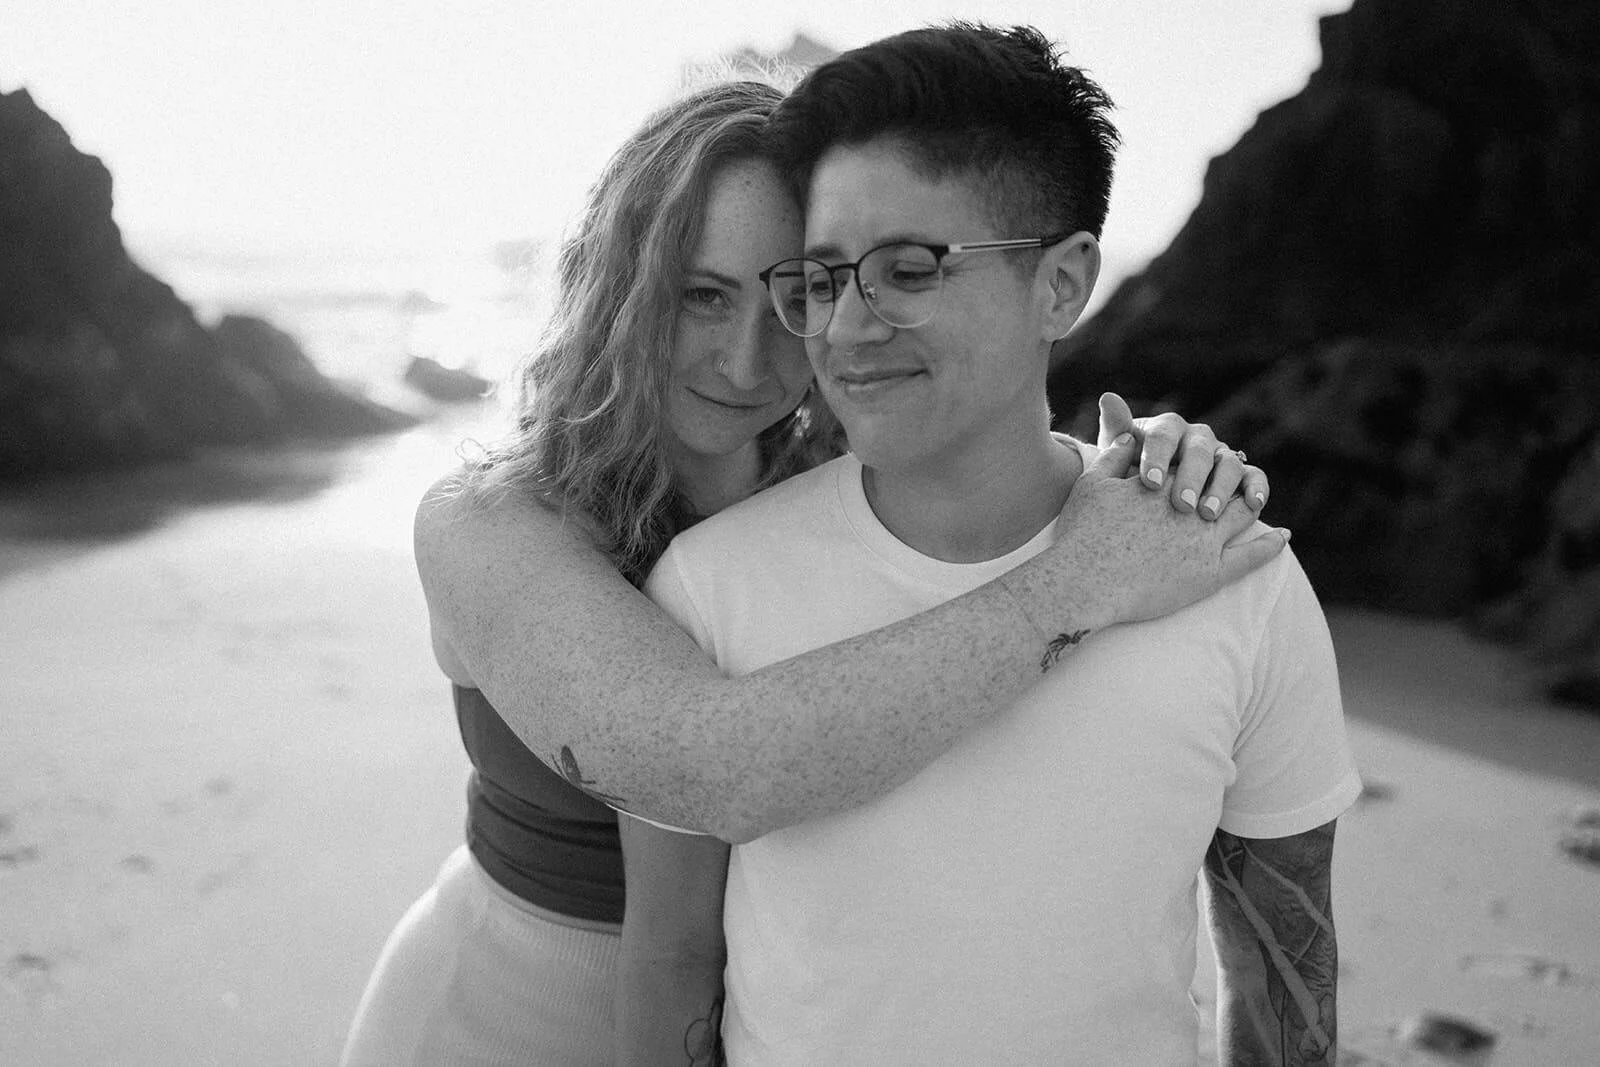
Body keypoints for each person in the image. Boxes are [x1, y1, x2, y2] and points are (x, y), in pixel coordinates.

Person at [341, 77, 1283, 1066]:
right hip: (493, 1017)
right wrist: (1080, 579)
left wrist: (1146, 466)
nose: (747, 361)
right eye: (702, 295)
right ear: (619, 283)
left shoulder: (843, 490)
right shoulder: (491, 521)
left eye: (794, 297)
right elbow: (709, 771)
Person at [623, 24, 1362, 1067]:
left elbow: (1282, 971)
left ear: (1060, 285)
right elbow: (672, 960)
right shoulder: (712, 586)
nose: (844, 328)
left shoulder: (1234, 575)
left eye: (907, 270)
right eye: (824, 279)